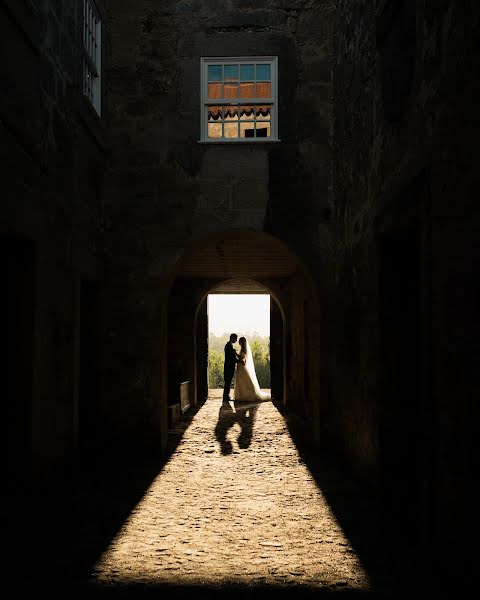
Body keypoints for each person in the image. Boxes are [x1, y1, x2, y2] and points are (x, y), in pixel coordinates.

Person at [234, 336, 271, 401]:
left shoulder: (243, 349)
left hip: (242, 367)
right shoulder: (242, 349)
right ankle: (242, 395)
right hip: (240, 366)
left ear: (242, 342)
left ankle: (245, 395)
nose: (238, 342)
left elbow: (243, 360)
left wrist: (236, 354)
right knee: (242, 381)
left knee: (243, 381)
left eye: (239, 341)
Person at [223, 333, 241, 401]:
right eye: (235, 338)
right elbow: (230, 358)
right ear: (232, 338)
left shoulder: (229, 345)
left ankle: (226, 396)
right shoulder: (228, 346)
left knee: (228, 382)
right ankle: (226, 396)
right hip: (229, 367)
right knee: (228, 382)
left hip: (229, 367)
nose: (236, 340)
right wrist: (238, 361)